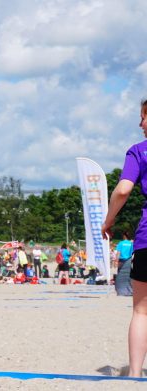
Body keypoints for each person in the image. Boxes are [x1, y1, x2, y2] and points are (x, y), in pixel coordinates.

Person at [102, 99, 147, 377]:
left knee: (142, 312)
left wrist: (109, 220)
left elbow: (122, 190)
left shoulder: (139, 151)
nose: (140, 123)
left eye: (143, 117)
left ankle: (133, 374)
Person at [115, 232, 134, 296]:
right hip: (129, 260)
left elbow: (118, 253)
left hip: (122, 260)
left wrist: (116, 261)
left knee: (120, 274)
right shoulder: (131, 243)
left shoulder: (121, 243)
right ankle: (130, 290)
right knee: (130, 275)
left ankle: (121, 290)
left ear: (124, 236)